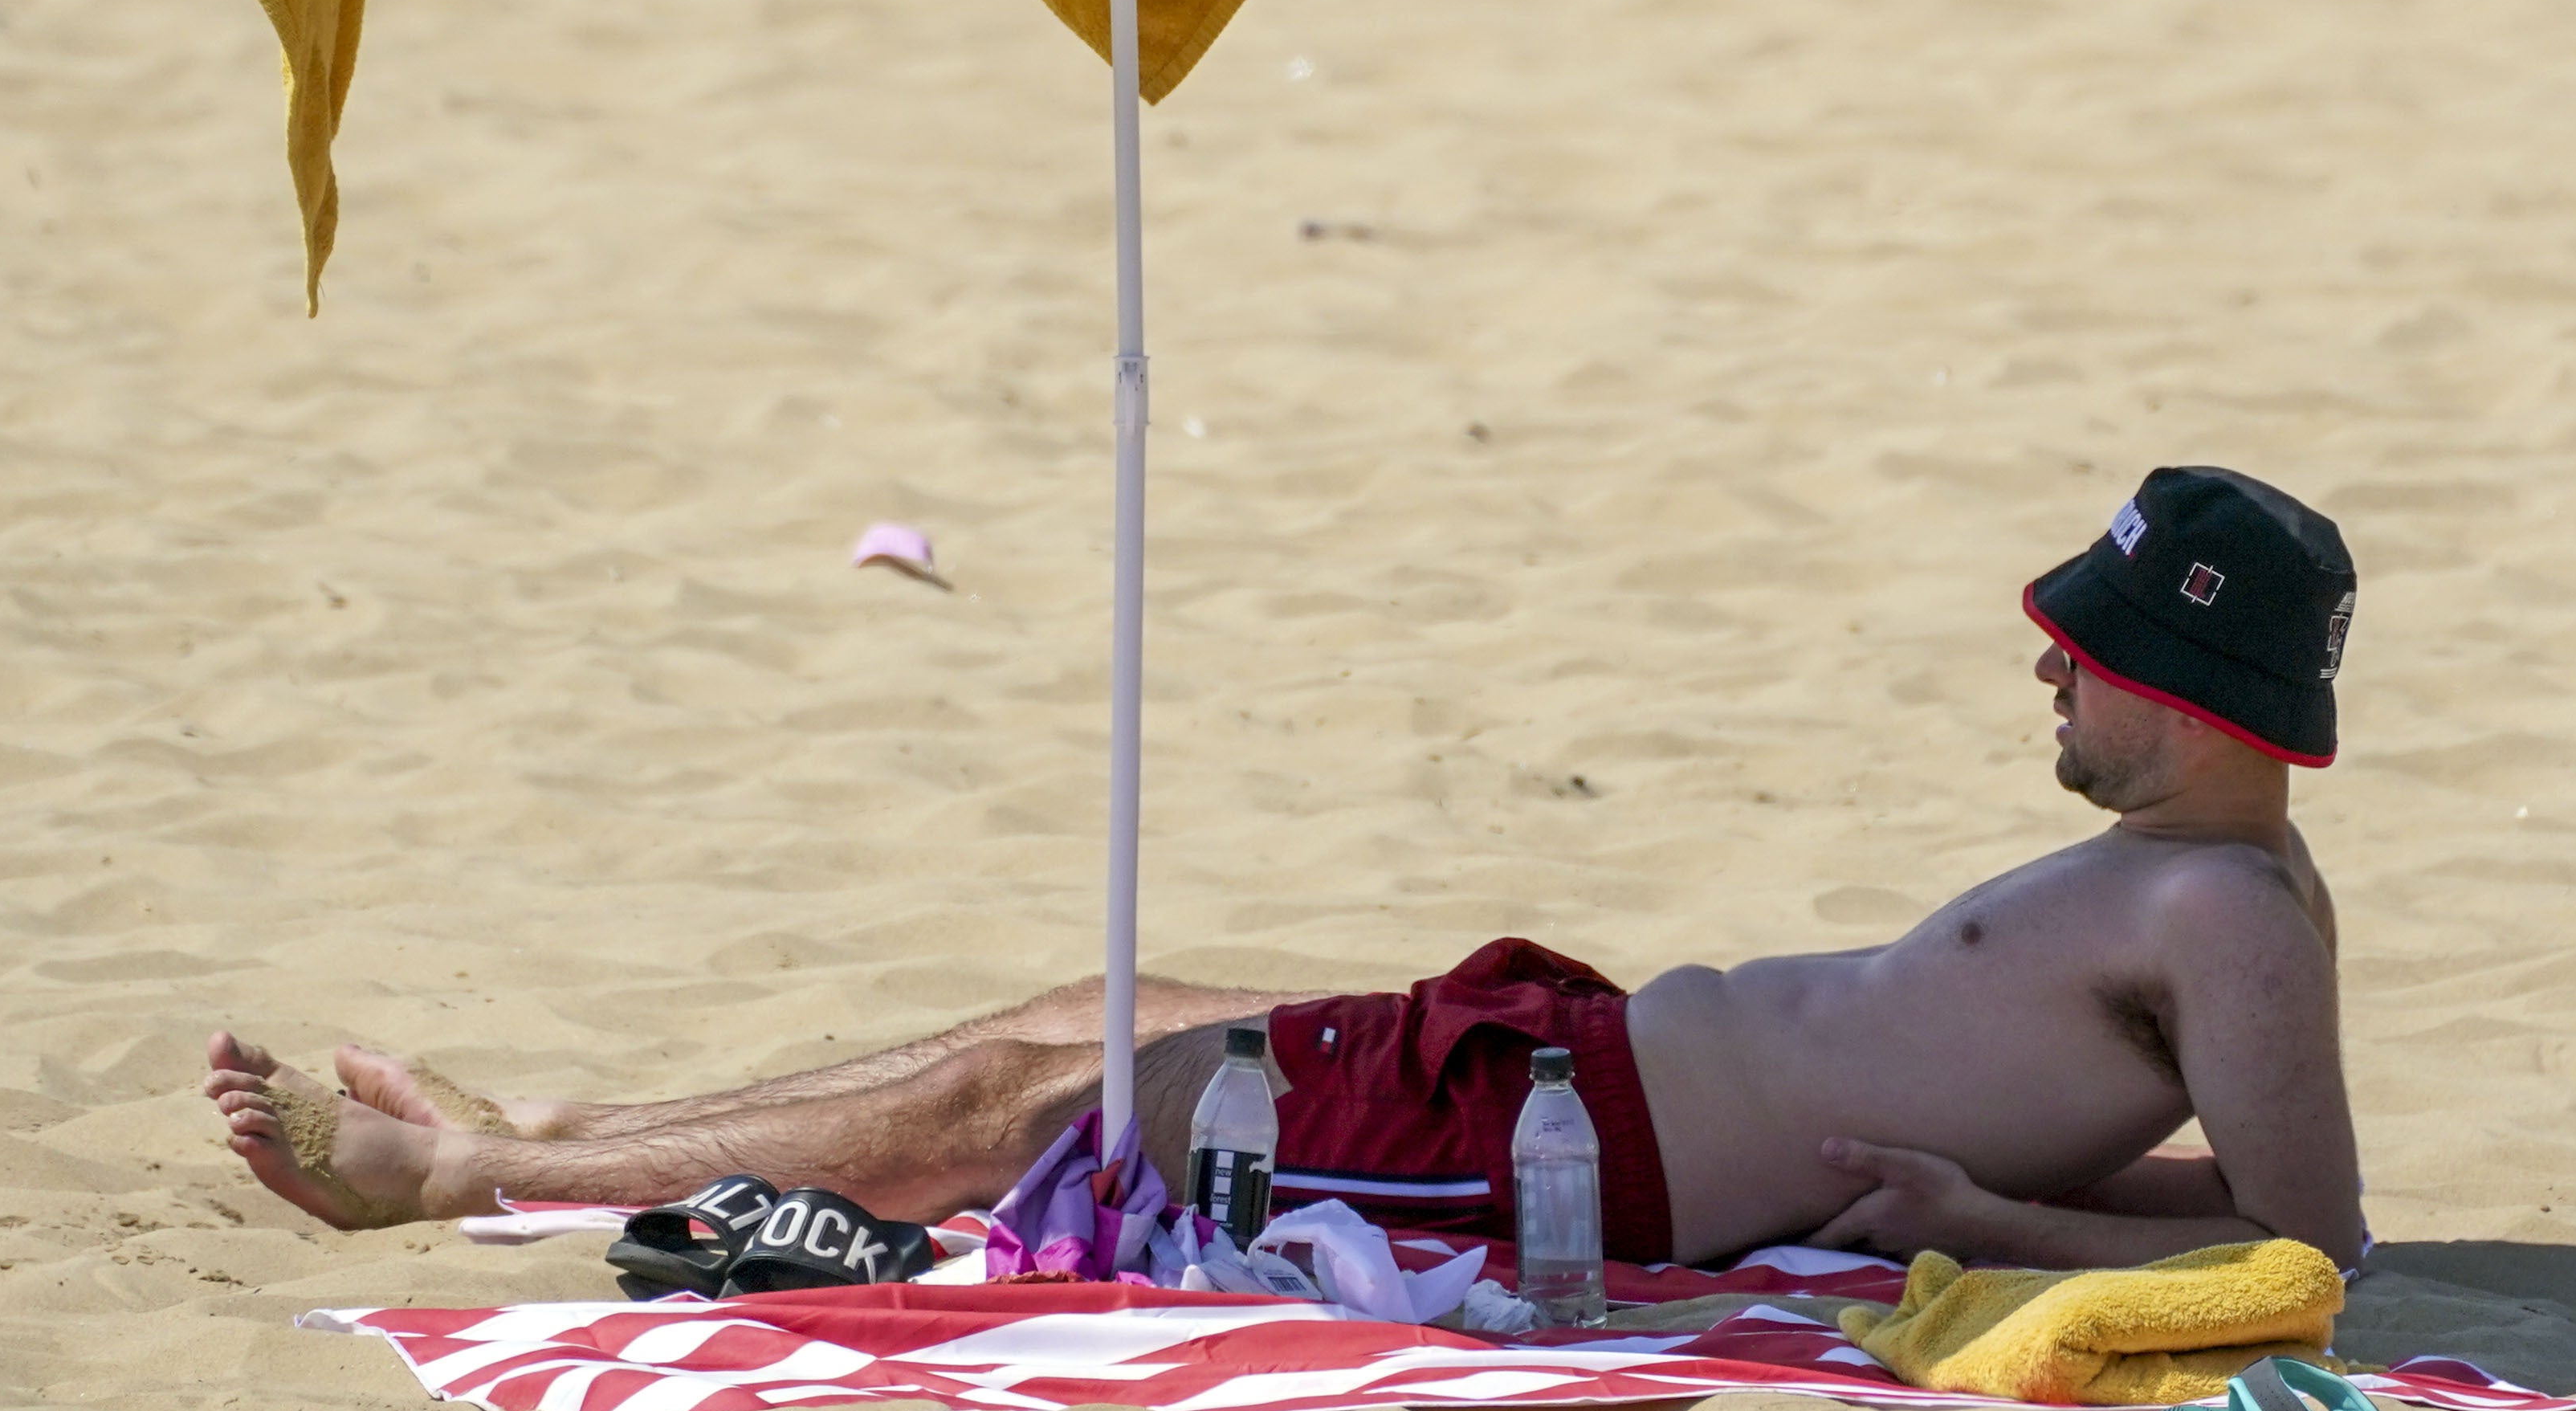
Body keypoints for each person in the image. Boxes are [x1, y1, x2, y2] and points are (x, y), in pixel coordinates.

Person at [206, 467, 2367, 1270]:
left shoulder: (2220, 910)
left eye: (2075, 657)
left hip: (1569, 1165)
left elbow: (2307, 1240)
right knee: (1091, 1009)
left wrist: (1989, 1222)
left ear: (2180, 691)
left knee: (1023, 1115)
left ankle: (457, 1186)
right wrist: (2006, 1183)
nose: (2042, 681)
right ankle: (588, 1131)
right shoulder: (2199, 886)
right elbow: (2206, 1175)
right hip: (1573, 1051)